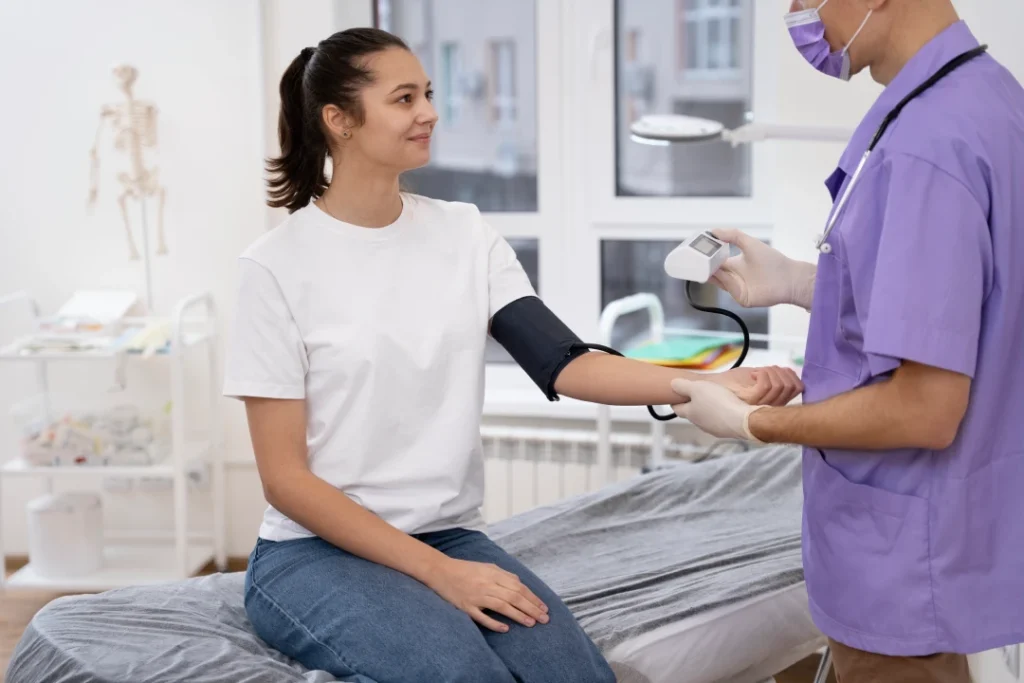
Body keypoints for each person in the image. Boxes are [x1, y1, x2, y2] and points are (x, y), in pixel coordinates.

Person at [223, 27, 802, 683]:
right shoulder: (276, 267)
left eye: (430, 93)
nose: (430, 112)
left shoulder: (464, 233)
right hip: (312, 555)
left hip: (447, 531)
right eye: (404, 97)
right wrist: (442, 574)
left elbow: (566, 362)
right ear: (339, 120)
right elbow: (286, 480)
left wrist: (713, 385)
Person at [669, 1, 1024, 682]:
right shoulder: (985, 99)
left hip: (903, 558)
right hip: (937, 546)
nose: (798, 16)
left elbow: (925, 407)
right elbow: (960, 303)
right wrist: (804, 282)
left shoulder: (927, 142)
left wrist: (752, 421)